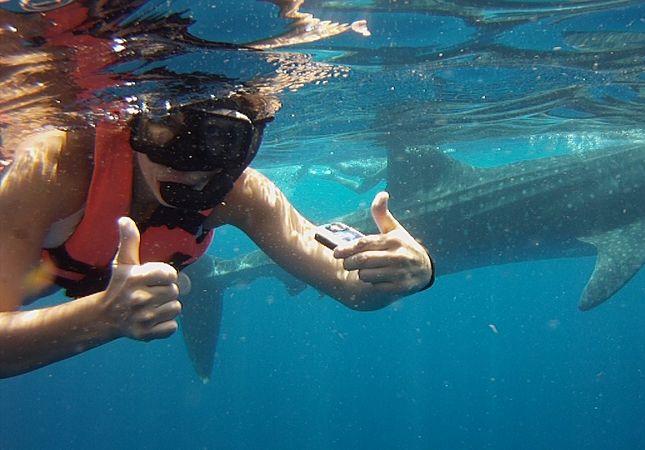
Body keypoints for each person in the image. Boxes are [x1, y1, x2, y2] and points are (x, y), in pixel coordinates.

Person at [0, 93, 434, 378]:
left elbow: (353, 290)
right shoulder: (56, 167)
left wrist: (410, 271)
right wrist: (102, 318)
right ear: (132, 122)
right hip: (39, 268)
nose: (189, 165)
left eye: (223, 138)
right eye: (165, 126)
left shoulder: (244, 194)